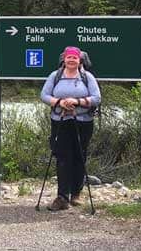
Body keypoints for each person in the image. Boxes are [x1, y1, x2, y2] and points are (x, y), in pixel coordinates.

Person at [40, 46, 101, 211]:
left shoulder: (87, 77)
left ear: (80, 60)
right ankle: (62, 197)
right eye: (69, 57)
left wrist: (77, 101)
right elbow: (44, 95)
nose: (71, 60)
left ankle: (76, 194)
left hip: (83, 121)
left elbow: (96, 98)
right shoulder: (55, 76)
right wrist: (60, 102)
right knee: (62, 157)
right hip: (60, 121)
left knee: (79, 156)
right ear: (64, 59)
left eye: (74, 57)